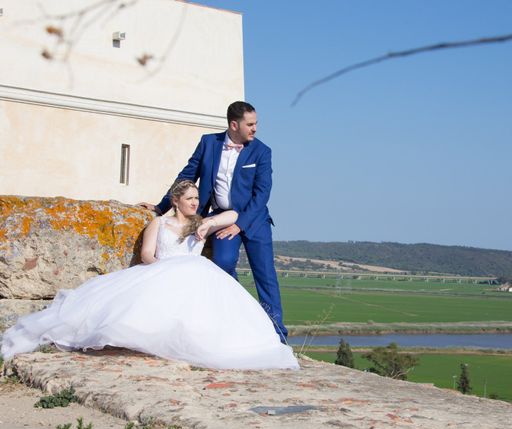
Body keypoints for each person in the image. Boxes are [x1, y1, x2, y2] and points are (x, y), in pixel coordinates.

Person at [1, 180, 299, 370]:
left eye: (197, 198)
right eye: (190, 198)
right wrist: (162, 270)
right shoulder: (159, 223)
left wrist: (209, 222)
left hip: (198, 274)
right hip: (164, 270)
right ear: (177, 200)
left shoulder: (200, 224)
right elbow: (146, 255)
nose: (195, 202)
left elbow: (234, 215)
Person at [139, 101, 287, 342]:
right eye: (250, 124)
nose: (255, 129)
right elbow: (187, 176)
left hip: (253, 220)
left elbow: (262, 193)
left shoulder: (262, 151)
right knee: (222, 262)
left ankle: (278, 335)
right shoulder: (209, 143)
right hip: (219, 218)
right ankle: (243, 318)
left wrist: (240, 224)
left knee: (266, 276)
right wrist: (161, 206)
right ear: (234, 124)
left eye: (256, 123)